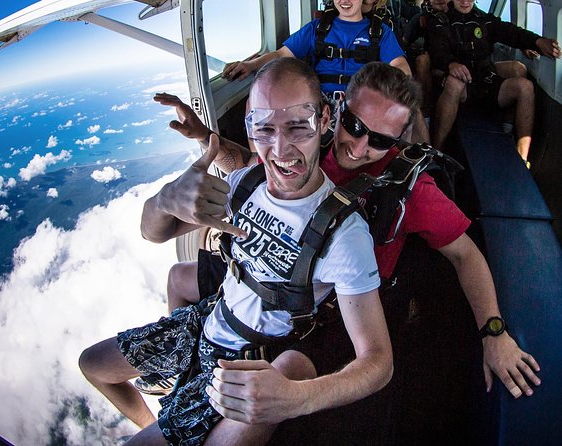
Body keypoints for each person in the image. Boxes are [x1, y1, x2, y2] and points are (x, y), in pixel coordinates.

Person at [153, 62, 541, 410]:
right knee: (178, 277)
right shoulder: (308, 141)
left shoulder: (412, 190)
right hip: (276, 265)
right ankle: (179, 368)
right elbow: (252, 165)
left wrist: (494, 332)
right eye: (354, 126)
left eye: (379, 141)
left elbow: (466, 255)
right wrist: (205, 137)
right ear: (336, 110)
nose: (357, 148)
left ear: (398, 140)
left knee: (289, 368)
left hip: (339, 306)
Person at [79, 58, 393, 446]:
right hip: (207, 319)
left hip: (246, 357)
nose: (281, 149)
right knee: (92, 365)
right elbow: (153, 233)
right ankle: (153, 424)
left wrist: (299, 398)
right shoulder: (245, 183)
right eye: (264, 129)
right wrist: (165, 200)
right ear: (250, 131)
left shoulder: (344, 232)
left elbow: (378, 362)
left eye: (298, 125)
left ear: (325, 119)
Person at [428, 0, 561, 162]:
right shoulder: (440, 22)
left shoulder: (484, 20)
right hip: (461, 86)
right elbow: (437, 51)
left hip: (486, 81)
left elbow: (511, 32)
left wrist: (537, 42)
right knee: (454, 84)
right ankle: (436, 151)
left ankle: (521, 158)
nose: (464, 1)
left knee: (525, 87)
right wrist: (451, 64)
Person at [222, 0, 410, 92]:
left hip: (362, 102)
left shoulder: (380, 32)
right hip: (318, 102)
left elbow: (401, 66)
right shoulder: (317, 28)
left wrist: (382, 92)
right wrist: (251, 65)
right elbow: (282, 54)